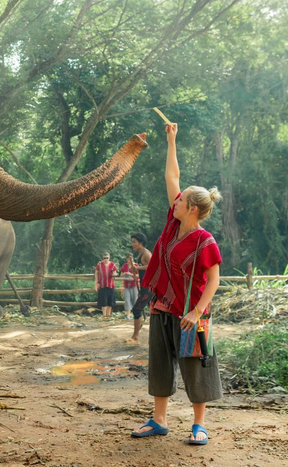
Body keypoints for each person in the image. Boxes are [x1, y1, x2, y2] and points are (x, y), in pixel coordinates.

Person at [131, 121, 223, 447]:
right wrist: (171, 141)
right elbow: (172, 177)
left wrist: (197, 312)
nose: (176, 200)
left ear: (192, 209)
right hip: (163, 306)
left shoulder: (205, 240)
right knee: (159, 363)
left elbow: (214, 280)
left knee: (195, 366)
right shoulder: (174, 224)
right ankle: (159, 420)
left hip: (191, 315)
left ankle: (199, 425)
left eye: (181, 200)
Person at [126, 232, 152, 343]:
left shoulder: (146, 253)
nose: (133, 244)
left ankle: (135, 336)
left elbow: (153, 266)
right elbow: (144, 270)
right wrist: (136, 272)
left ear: (140, 243)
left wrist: (137, 268)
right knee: (154, 312)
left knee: (137, 309)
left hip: (150, 288)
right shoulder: (139, 254)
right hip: (144, 287)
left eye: (134, 242)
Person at [94, 252, 118, 318]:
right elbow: (96, 272)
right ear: (103, 258)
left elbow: (116, 273)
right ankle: (104, 315)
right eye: (104, 258)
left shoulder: (113, 264)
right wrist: (96, 281)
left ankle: (108, 315)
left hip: (111, 285)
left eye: (107, 258)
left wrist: (114, 274)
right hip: (102, 285)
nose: (106, 259)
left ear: (109, 258)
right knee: (103, 301)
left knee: (110, 301)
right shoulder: (99, 264)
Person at [120, 254, 139, 320]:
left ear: (132, 259)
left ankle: (135, 315)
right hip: (126, 285)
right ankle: (128, 316)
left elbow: (138, 275)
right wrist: (125, 273)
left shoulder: (136, 265)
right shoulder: (124, 266)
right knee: (127, 300)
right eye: (127, 259)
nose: (129, 261)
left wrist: (130, 274)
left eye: (130, 259)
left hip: (134, 285)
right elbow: (121, 274)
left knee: (135, 300)